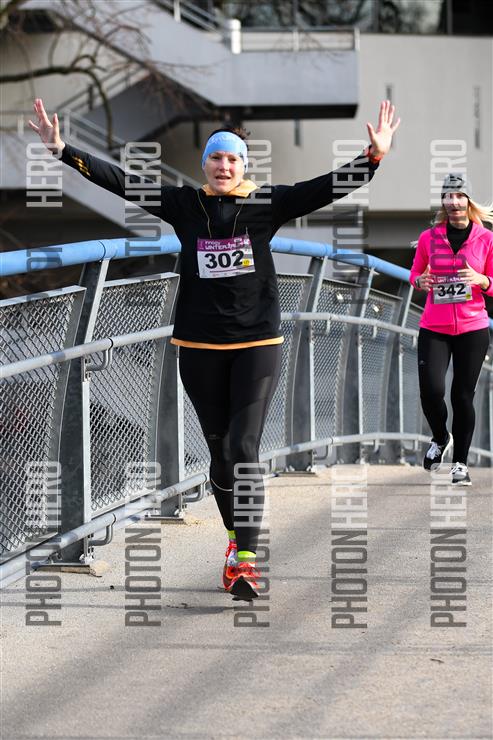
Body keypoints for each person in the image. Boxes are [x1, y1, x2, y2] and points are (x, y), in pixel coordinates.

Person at [29, 98, 400, 599]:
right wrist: (62, 150)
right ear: (205, 164)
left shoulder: (267, 204)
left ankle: (246, 560)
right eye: (216, 158)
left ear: (243, 165)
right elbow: (122, 181)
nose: (224, 167)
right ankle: (234, 540)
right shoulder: (185, 205)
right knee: (221, 453)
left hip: (256, 343)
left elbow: (326, 187)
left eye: (232, 159)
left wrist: (372, 157)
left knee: (245, 447)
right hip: (200, 345)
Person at [410, 173, 493, 485]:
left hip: (472, 327)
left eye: (459, 195)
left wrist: (482, 280)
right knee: (432, 391)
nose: (454, 201)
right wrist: (419, 281)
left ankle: (460, 463)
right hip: (435, 326)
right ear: (443, 201)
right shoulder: (428, 238)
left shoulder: (486, 239)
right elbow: (415, 273)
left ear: (468, 201)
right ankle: (440, 437)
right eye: (448, 196)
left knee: (462, 395)